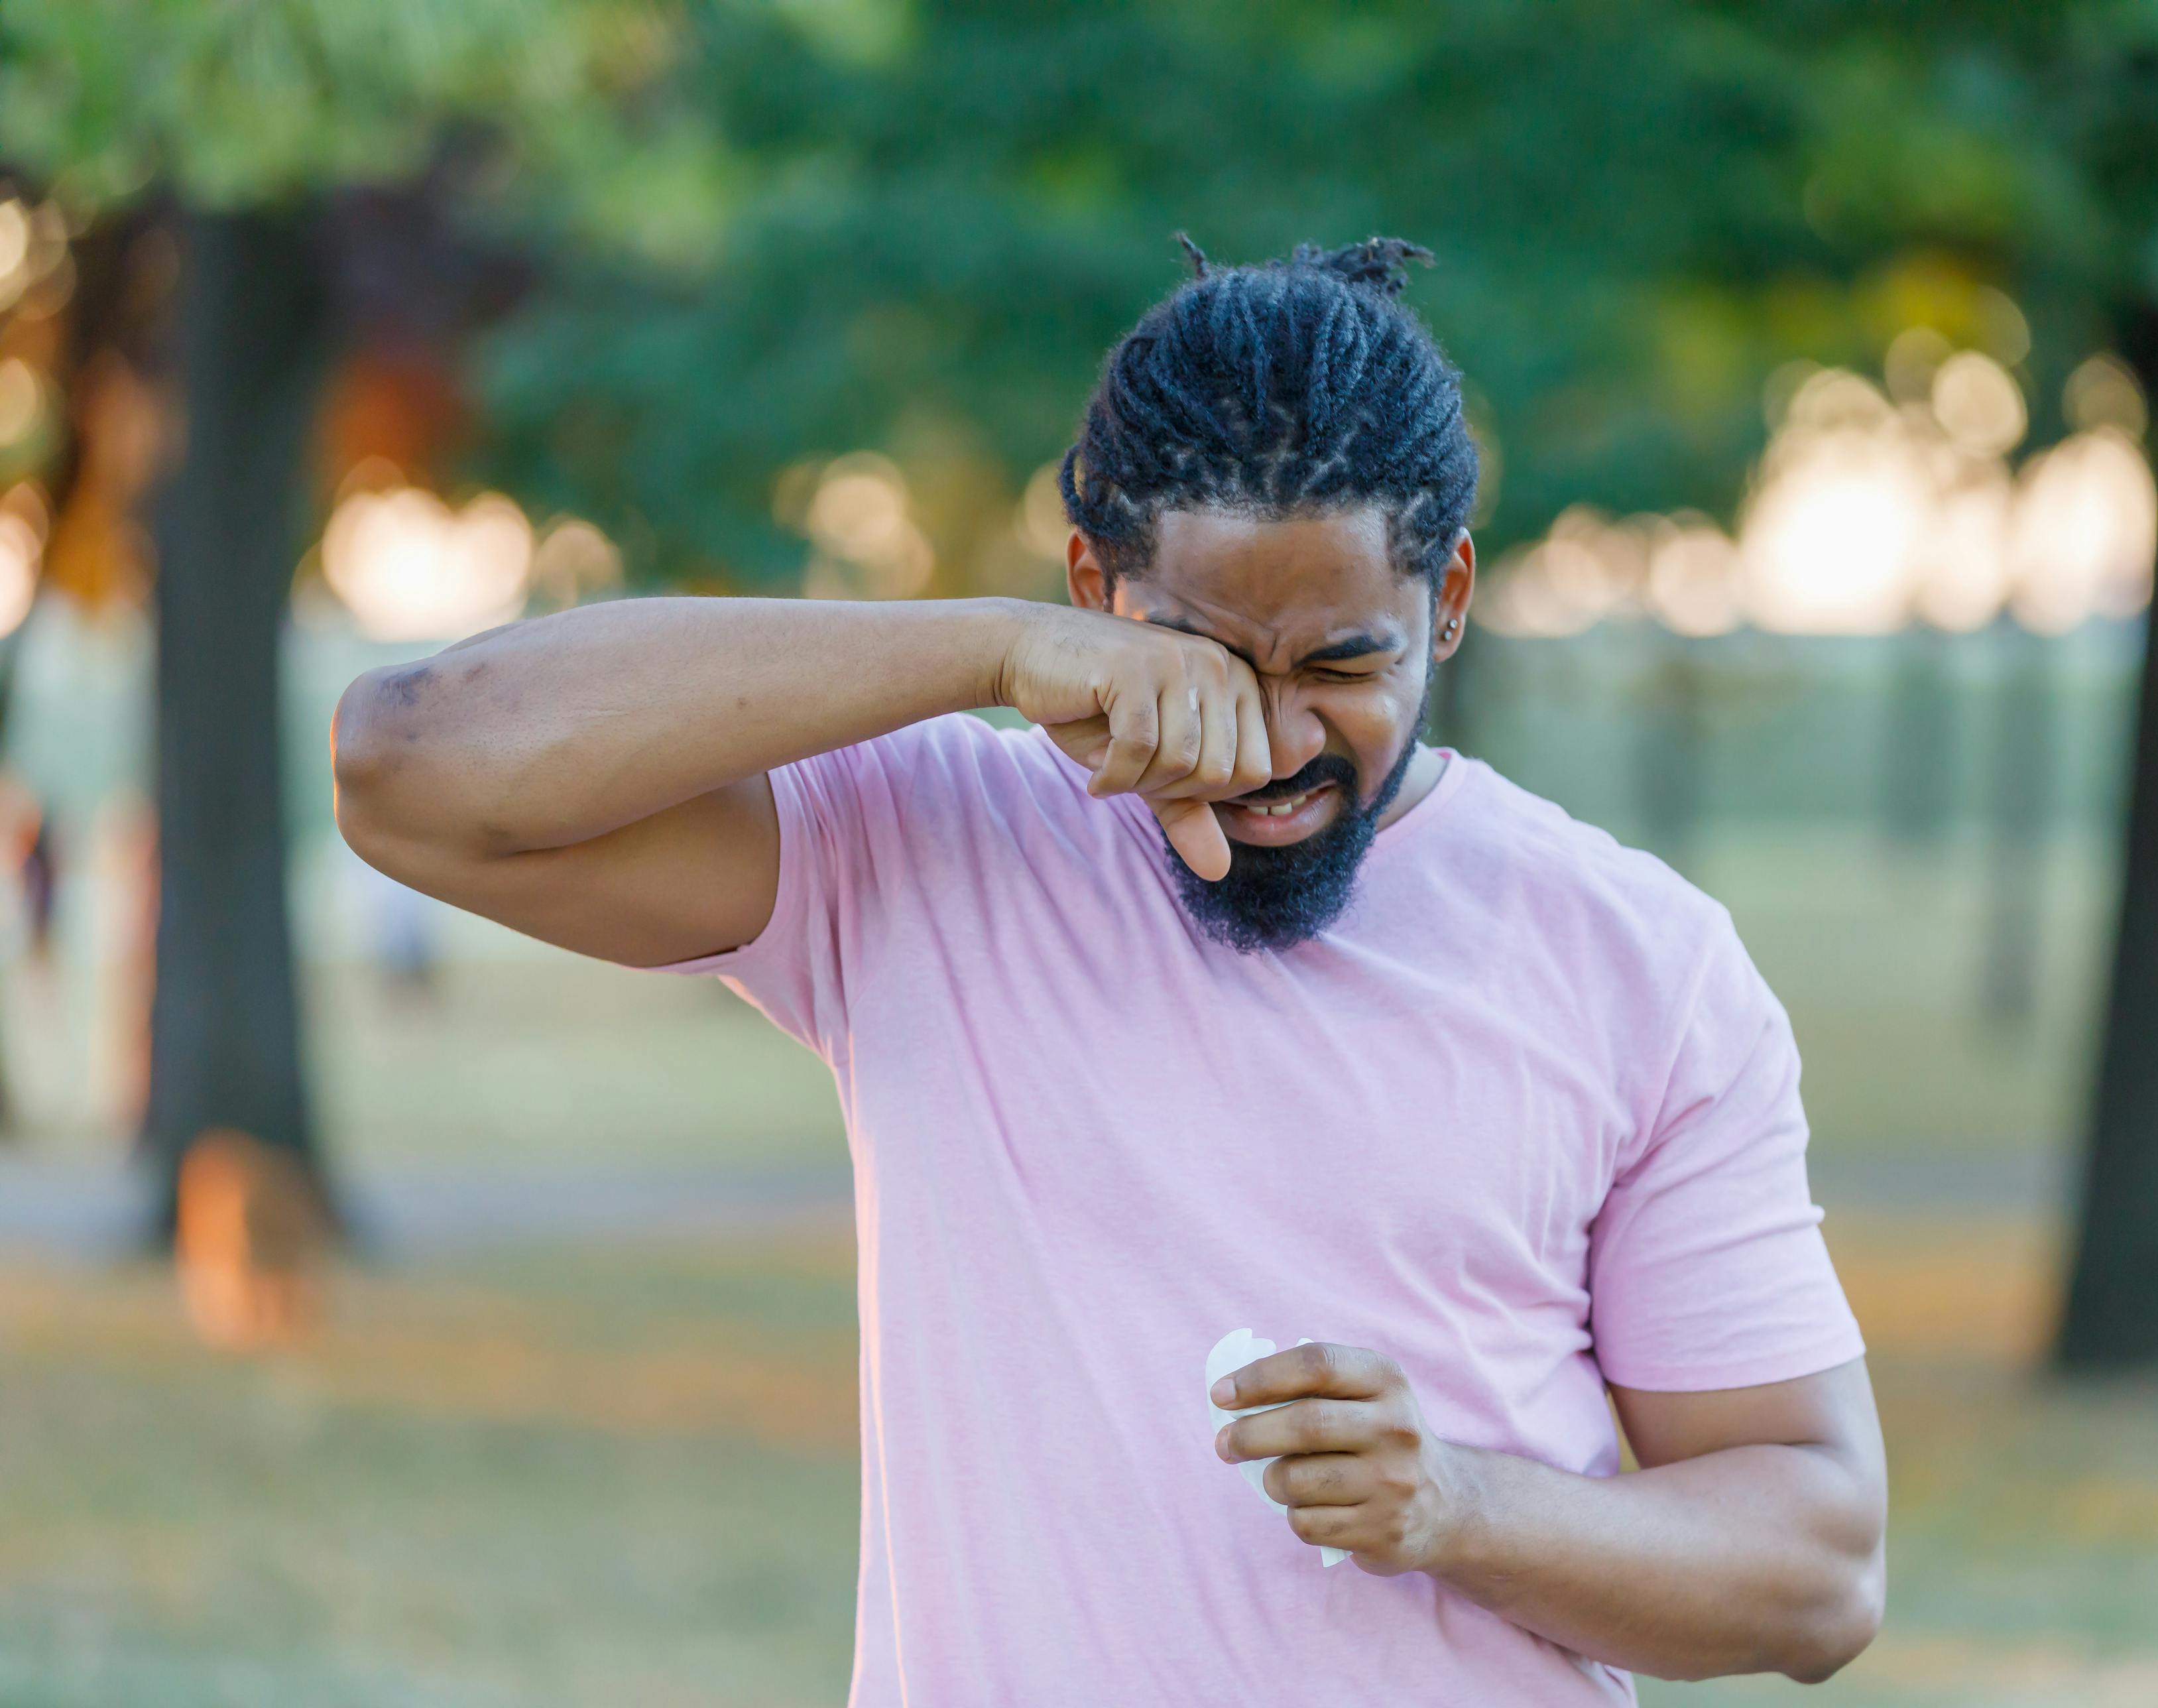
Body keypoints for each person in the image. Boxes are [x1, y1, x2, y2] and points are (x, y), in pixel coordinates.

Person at [332, 236, 1886, 1704]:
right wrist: (988, 653)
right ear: (1096, 586)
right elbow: (409, 766)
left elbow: (1818, 1565)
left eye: (1344, 667)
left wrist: (1466, 1507)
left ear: (1452, 600)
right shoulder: (927, 843)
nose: (1274, 742)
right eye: (1206, 663)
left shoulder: (1641, 964)